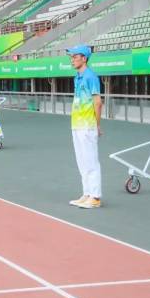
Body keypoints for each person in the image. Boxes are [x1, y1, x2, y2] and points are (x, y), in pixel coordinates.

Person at [67, 45, 103, 209]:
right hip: (77, 124)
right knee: (82, 161)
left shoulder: (91, 76)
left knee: (91, 161)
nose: (72, 59)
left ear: (84, 58)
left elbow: (97, 102)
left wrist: (97, 124)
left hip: (88, 125)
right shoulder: (77, 77)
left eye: (75, 56)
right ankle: (87, 193)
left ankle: (95, 197)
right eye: (72, 57)